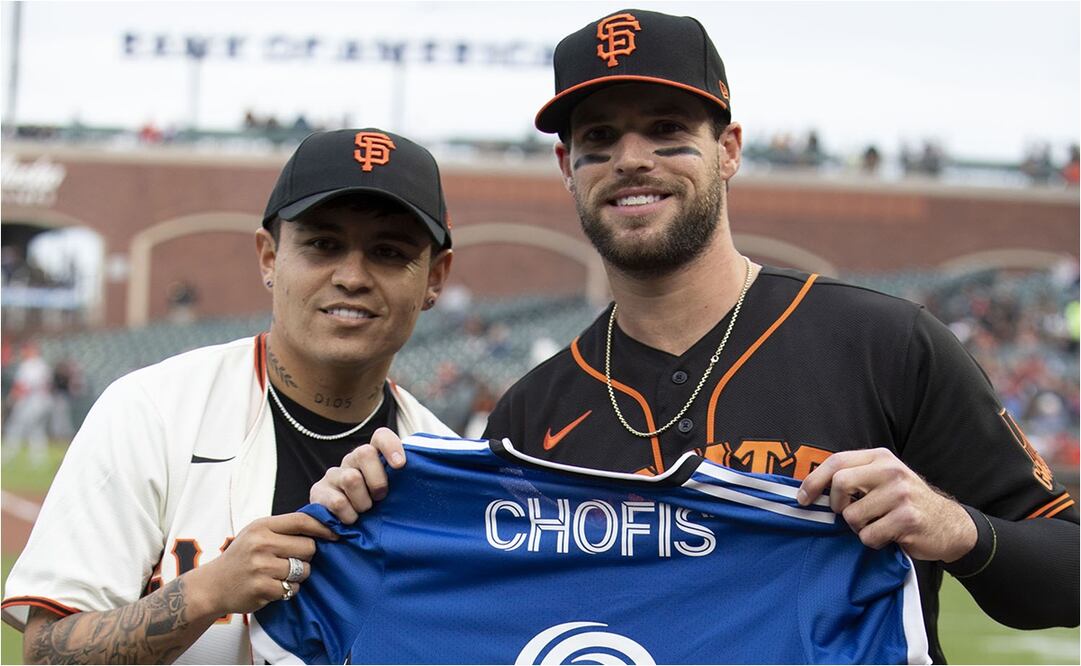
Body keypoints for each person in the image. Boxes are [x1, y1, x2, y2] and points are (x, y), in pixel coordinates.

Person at [316, 9, 1079, 663]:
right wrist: (361, 517)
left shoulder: (883, 344)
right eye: (599, 138)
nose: (631, 160)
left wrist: (956, 529)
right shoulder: (531, 413)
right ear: (566, 166)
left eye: (667, 130)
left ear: (729, 148)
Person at [1, 128, 456, 664]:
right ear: (269, 257)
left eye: (389, 252)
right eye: (322, 244)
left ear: (435, 278)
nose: (352, 276)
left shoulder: (447, 470)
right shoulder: (154, 410)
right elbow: (45, 654)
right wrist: (205, 592)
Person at [2, 342, 54, 467]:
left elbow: (23, 387)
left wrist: (12, 399)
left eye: (26, 350)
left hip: (30, 402)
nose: (23, 353)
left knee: (15, 427)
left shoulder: (28, 366)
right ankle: (38, 459)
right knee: (36, 430)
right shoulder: (43, 365)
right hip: (43, 402)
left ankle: (8, 454)